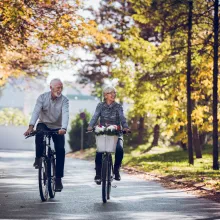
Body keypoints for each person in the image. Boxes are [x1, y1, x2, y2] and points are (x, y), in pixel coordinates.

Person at [24, 78, 69, 192]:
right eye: (58, 87)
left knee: (60, 150)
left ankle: (58, 179)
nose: (60, 90)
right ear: (51, 87)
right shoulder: (42, 98)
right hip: (43, 124)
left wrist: (63, 128)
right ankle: (38, 157)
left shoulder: (64, 100)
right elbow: (36, 111)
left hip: (58, 127)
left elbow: (65, 114)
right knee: (39, 134)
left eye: (61, 88)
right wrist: (31, 126)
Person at [87, 86, 130, 184]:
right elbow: (95, 116)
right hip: (103, 132)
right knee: (99, 152)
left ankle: (116, 170)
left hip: (116, 132)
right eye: (111, 93)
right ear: (105, 95)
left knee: (119, 149)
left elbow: (122, 118)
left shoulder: (118, 106)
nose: (113, 95)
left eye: (114, 93)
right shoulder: (100, 106)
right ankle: (98, 174)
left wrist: (125, 127)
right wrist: (90, 126)